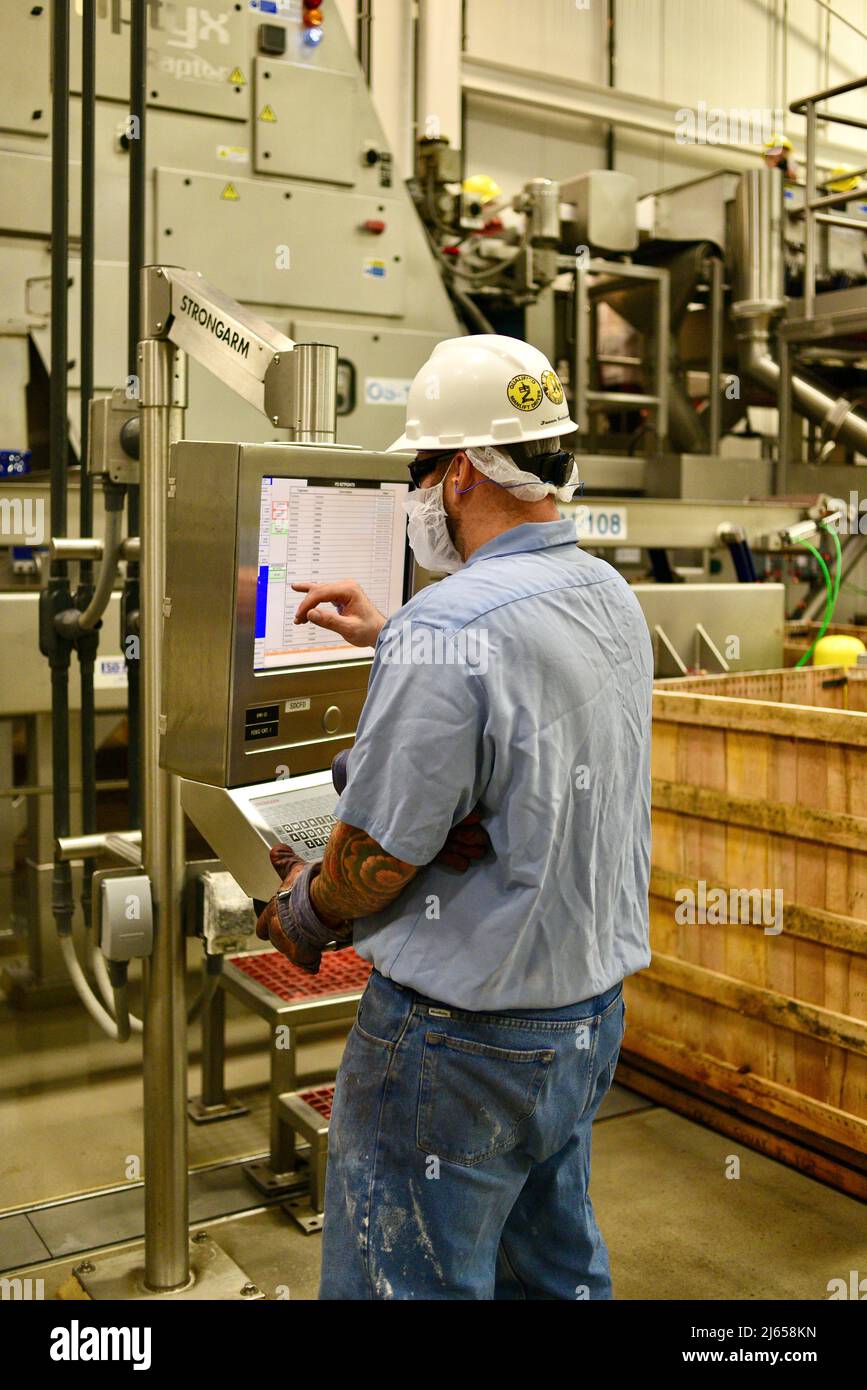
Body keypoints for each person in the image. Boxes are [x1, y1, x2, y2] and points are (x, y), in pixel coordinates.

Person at [255, 335, 653, 1300]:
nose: (417, 493)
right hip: (581, 1024)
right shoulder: (606, 594)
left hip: (456, 1045)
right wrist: (390, 638)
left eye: (419, 469)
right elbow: (524, 695)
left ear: (462, 468)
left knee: (405, 1283)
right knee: (549, 1273)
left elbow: (377, 857)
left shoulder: (450, 627)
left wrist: (302, 910)